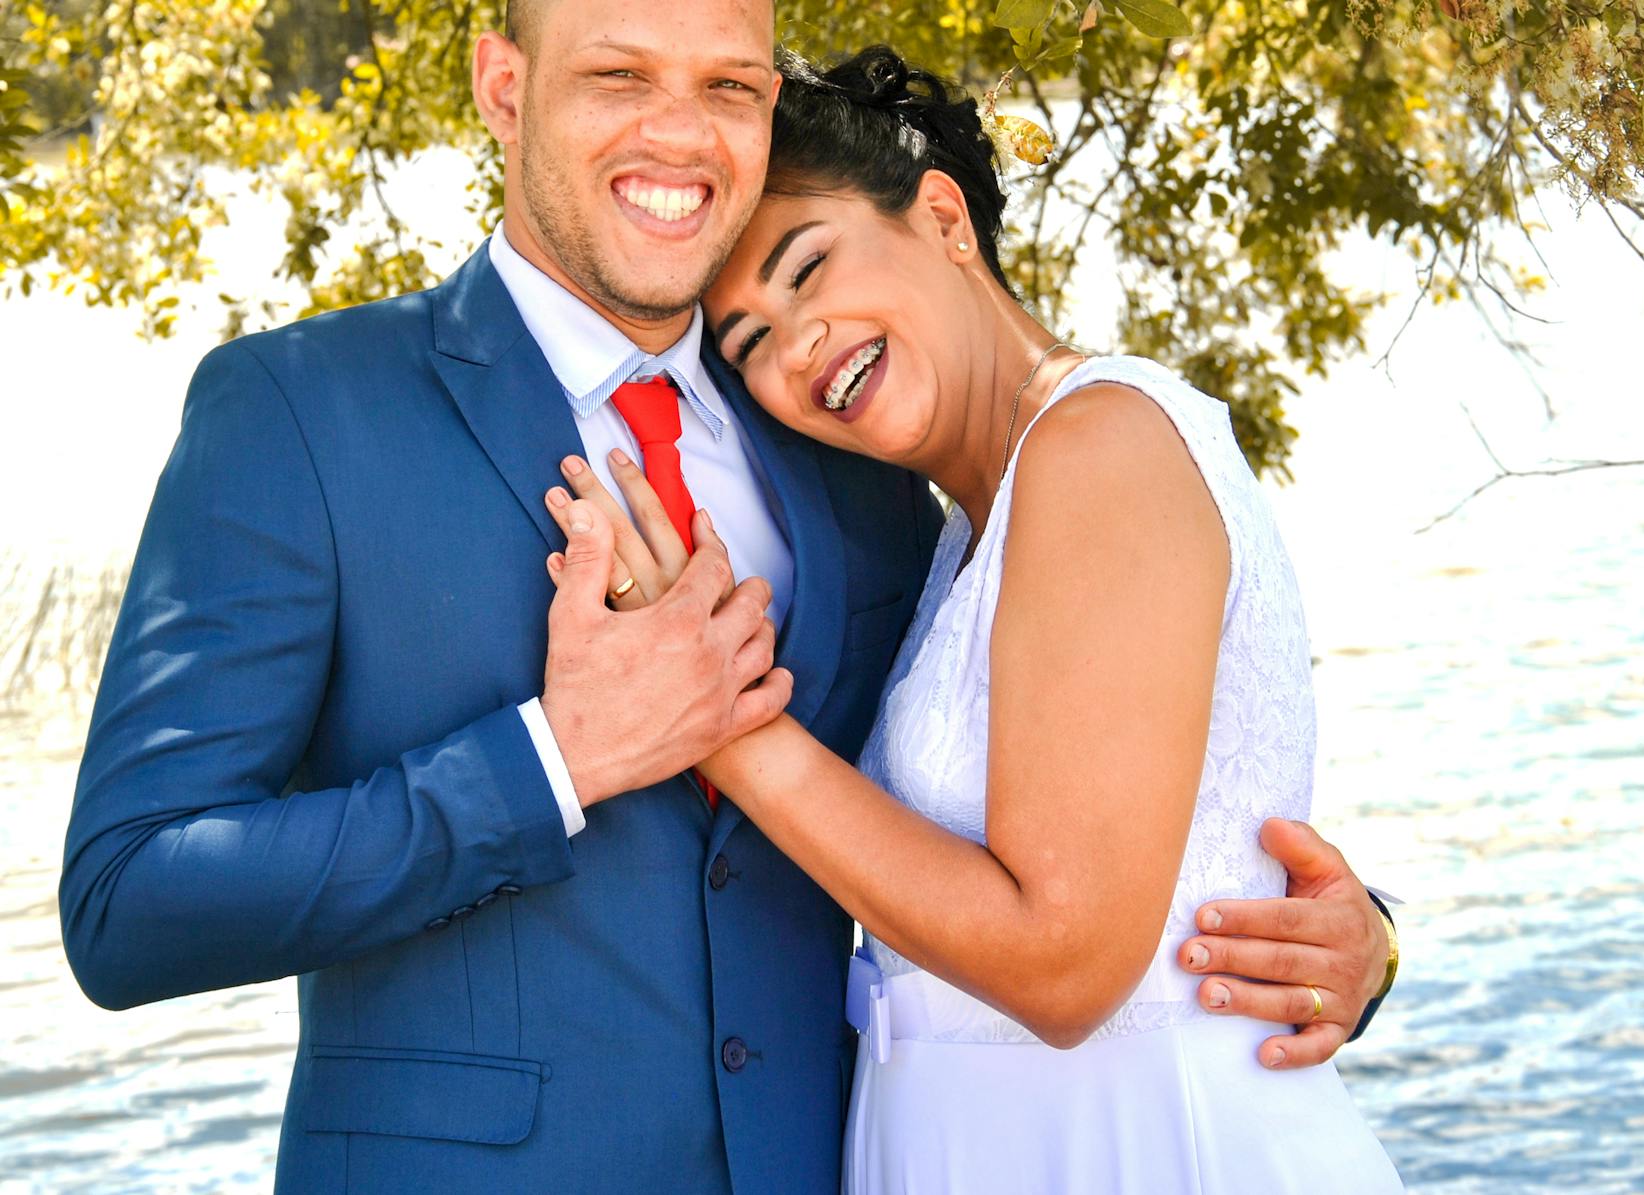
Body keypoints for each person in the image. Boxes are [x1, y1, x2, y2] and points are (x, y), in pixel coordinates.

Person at [59, 2, 1397, 1191]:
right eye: (617, 75)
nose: (678, 132)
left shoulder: (860, 459)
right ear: (504, 87)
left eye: (730, 84)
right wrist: (553, 759)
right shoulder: (300, 414)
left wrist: (1352, 934)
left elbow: (1062, 789)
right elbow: (129, 899)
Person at [541, 45, 1405, 1192]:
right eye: (746, 342)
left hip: (1140, 1149)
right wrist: (1370, 939)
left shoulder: (1101, 446)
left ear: (942, 218)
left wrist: (720, 722)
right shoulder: (946, 540)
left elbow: (1064, 965)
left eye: (808, 268)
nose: (795, 344)